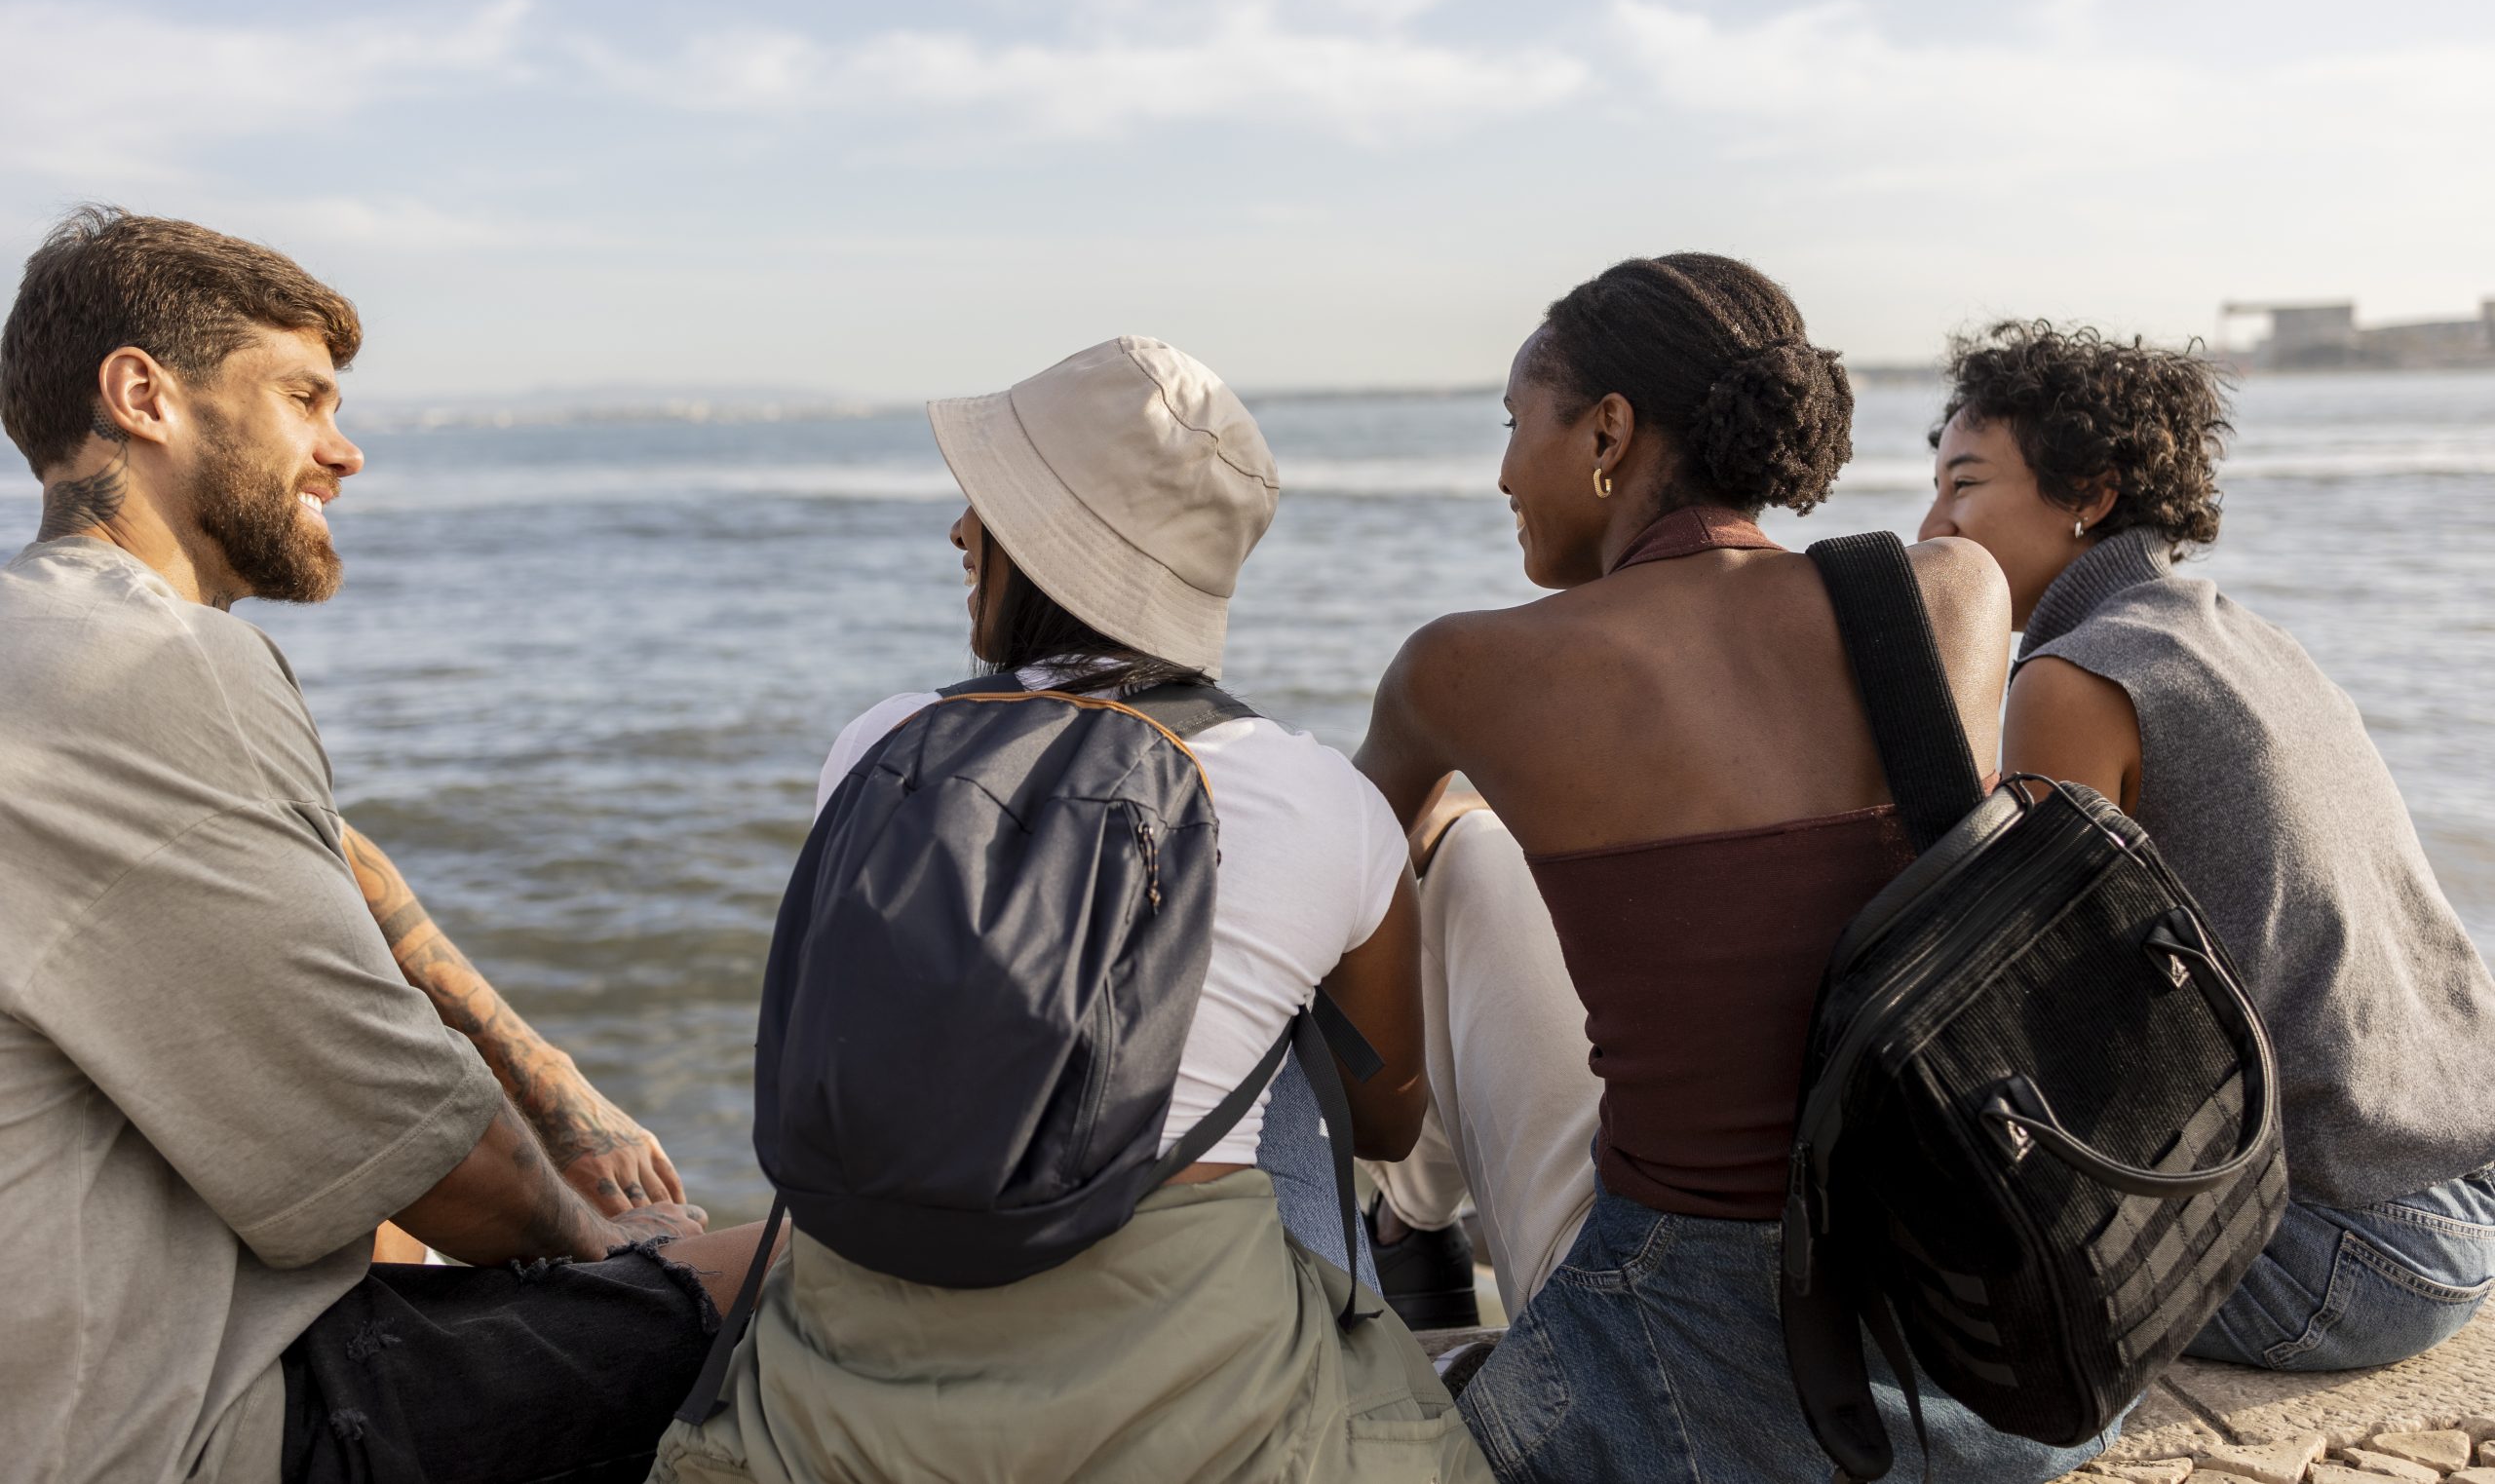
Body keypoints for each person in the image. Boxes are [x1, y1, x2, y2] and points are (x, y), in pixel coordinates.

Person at [0, 207, 774, 1484]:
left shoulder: (49, 652)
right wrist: (619, 1238)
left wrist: (547, 1071)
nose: (342, 450)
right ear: (142, 394)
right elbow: (437, 1157)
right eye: (304, 397)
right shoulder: (161, 664)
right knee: (780, 1273)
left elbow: (334, 854)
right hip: (171, 1430)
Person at [652, 336, 1489, 1484]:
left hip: (839, 1401)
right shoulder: (1317, 798)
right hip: (1189, 1404)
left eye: (983, 506)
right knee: (1286, 1040)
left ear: (1046, 547)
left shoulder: (876, 747)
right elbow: (1391, 1127)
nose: (958, 533)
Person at [1353, 255, 2113, 1480]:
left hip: (1690, 1355)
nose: (1500, 473)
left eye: (1513, 427)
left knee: (1452, 857)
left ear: (1607, 431)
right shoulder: (1951, 594)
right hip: (1976, 1339)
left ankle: (1396, 1233)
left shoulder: (1459, 669)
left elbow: (1323, 903)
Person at [1920, 321, 2495, 1372]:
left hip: (2343, 1261)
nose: (1931, 524)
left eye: (1963, 486)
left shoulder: (2077, 674)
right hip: (2466, 1196)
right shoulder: (2243, 637)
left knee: (1921, 1268)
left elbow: (2041, 1003)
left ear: (2088, 493)